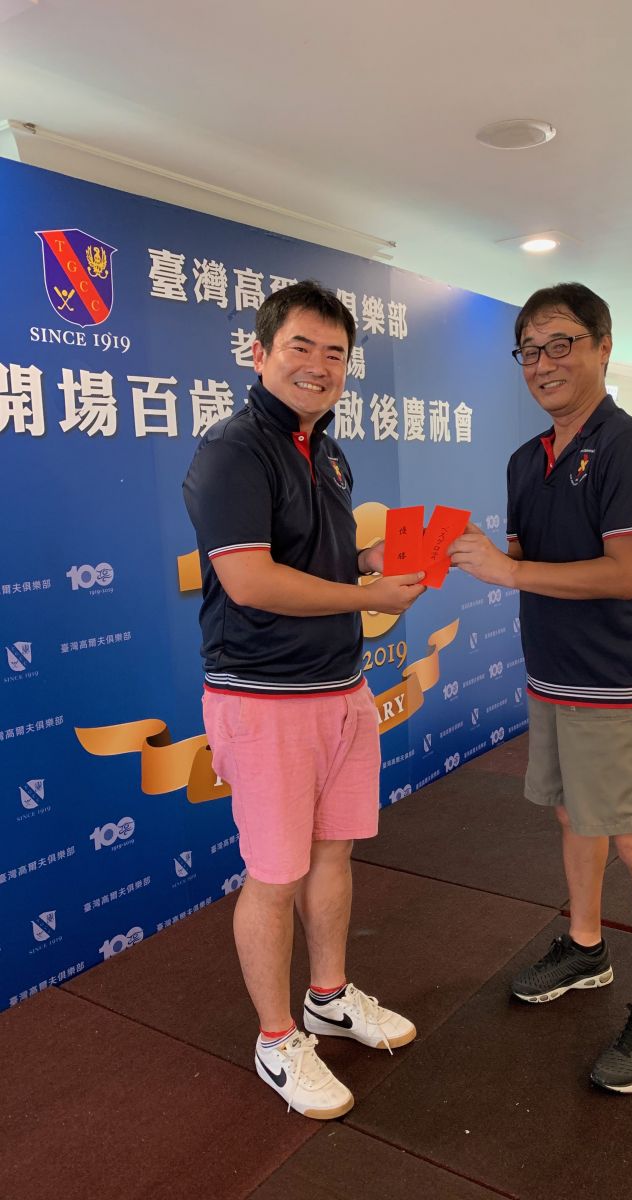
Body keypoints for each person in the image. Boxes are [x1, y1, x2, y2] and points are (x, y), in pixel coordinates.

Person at [183, 281, 426, 1119]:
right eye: (301, 347)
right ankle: (277, 1038)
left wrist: (373, 565)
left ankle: (328, 997)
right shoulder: (232, 450)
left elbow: (317, 560)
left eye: (335, 353)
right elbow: (250, 581)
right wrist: (369, 597)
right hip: (264, 700)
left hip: (341, 689)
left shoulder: (325, 449)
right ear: (260, 353)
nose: (319, 366)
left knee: (332, 857)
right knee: (275, 876)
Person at [449, 282, 632, 1095]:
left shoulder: (629, 446)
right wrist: (459, 551)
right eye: (530, 350)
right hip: (549, 674)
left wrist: (508, 570)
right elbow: (528, 560)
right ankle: (586, 947)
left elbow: (623, 574)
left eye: (562, 344)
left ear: (602, 347)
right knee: (570, 815)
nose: (544, 363)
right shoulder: (526, 460)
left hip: (615, 681)